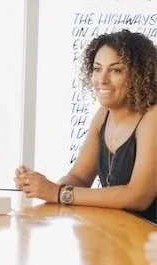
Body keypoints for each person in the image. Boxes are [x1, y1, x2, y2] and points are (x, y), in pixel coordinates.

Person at [14, 29, 157, 222]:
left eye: (116, 70)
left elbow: (138, 196)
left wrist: (59, 193)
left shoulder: (152, 116)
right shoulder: (103, 115)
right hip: (121, 233)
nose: (102, 79)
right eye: (97, 69)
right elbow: (79, 178)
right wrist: (42, 186)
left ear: (139, 75)